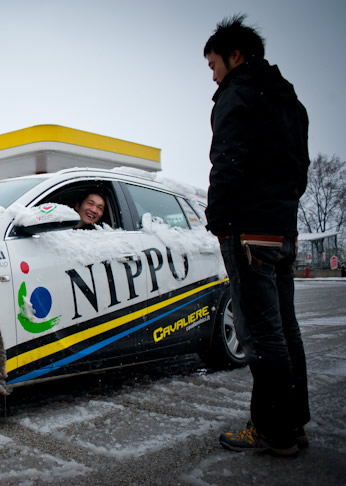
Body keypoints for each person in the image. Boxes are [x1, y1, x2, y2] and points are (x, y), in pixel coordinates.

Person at [203, 14, 310, 456]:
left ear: (235, 55)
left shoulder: (238, 95)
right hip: (281, 229)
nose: (212, 74)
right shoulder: (289, 102)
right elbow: (300, 171)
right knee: (285, 328)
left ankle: (273, 430)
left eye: (213, 64)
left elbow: (227, 161)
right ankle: (292, 422)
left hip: (248, 232)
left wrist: (219, 218)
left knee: (260, 334)